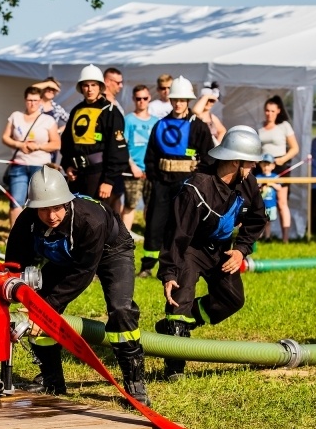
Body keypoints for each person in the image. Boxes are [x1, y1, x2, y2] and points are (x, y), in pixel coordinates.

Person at [5, 166, 150, 405]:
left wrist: (47, 307)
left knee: (121, 311)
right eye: (43, 210)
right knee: (37, 309)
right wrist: (19, 294)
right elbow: (14, 263)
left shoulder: (88, 220)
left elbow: (83, 273)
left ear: (66, 202)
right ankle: (52, 381)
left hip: (112, 250)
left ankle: (135, 385)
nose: (51, 216)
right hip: (70, 255)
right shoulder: (26, 221)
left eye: (56, 208)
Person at [157, 126, 267, 380]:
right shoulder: (196, 188)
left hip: (221, 250)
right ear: (234, 161)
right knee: (179, 300)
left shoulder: (246, 182)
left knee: (232, 299)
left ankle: (173, 329)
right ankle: (174, 366)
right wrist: (170, 272)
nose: (253, 169)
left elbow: (257, 219)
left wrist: (240, 250)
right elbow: (177, 234)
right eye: (249, 163)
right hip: (189, 249)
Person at [138, 76, 214, 278]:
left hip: (188, 184)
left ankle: (179, 265)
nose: (178, 103)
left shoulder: (199, 126)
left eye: (182, 100)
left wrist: (198, 181)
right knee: (155, 223)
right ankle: (147, 266)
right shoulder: (160, 124)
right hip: (162, 183)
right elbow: (151, 155)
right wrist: (155, 178)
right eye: (175, 99)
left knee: (182, 225)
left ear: (188, 101)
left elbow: (208, 157)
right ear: (170, 100)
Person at [60, 64, 128, 203]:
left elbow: (117, 149)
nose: (89, 89)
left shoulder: (110, 112)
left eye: (93, 85)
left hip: (98, 175)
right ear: (81, 88)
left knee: (96, 218)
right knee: (75, 214)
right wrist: (67, 165)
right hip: (76, 174)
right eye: (86, 85)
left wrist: (109, 180)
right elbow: (67, 141)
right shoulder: (76, 110)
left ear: (100, 87)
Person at [1, 86, 60, 226]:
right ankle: (15, 238)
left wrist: (38, 147)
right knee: (16, 202)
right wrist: (19, 144)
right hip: (19, 164)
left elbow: (56, 144)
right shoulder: (16, 116)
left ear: (40, 101)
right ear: (25, 100)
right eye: (29, 100)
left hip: (40, 166)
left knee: (40, 202)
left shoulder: (48, 120)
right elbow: (5, 137)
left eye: (35, 100)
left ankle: (38, 234)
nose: (32, 103)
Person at [258, 95, 298, 243]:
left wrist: (283, 159)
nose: (269, 114)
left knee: (281, 201)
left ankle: (285, 238)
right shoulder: (259, 127)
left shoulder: (284, 126)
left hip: (279, 164)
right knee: (261, 200)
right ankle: (262, 235)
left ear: (278, 111)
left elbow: (295, 148)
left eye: (272, 111)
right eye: (267, 111)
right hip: (263, 166)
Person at [119, 84, 157, 233]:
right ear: (133, 99)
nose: (142, 101)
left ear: (149, 99)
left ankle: (150, 236)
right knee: (130, 204)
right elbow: (123, 146)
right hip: (132, 171)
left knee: (151, 205)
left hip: (151, 171)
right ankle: (124, 238)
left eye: (145, 98)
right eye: (138, 98)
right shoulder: (128, 120)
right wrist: (132, 165)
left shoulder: (156, 121)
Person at [255, 154, 281, 240]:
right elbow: (255, 190)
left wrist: (272, 184)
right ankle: (260, 236)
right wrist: (262, 187)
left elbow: (279, 187)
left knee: (268, 222)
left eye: (268, 165)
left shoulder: (274, 177)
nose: (266, 167)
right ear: (260, 165)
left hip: (271, 204)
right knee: (261, 221)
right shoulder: (258, 177)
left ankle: (267, 236)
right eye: (264, 165)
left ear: (273, 166)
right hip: (261, 205)